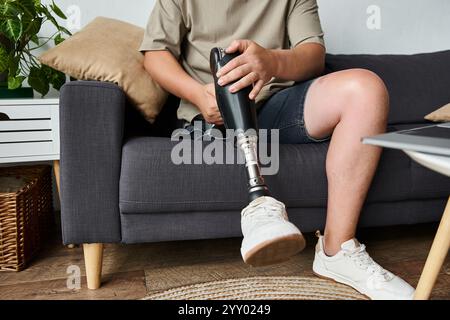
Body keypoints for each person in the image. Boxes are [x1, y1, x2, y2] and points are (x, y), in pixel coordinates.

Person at [140, 0, 415, 300]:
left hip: (274, 107)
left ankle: (337, 251)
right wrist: (197, 94)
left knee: (366, 89)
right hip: (210, 112)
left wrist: (271, 61)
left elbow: (313, 55)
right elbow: (155, 53)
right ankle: (261, 209)